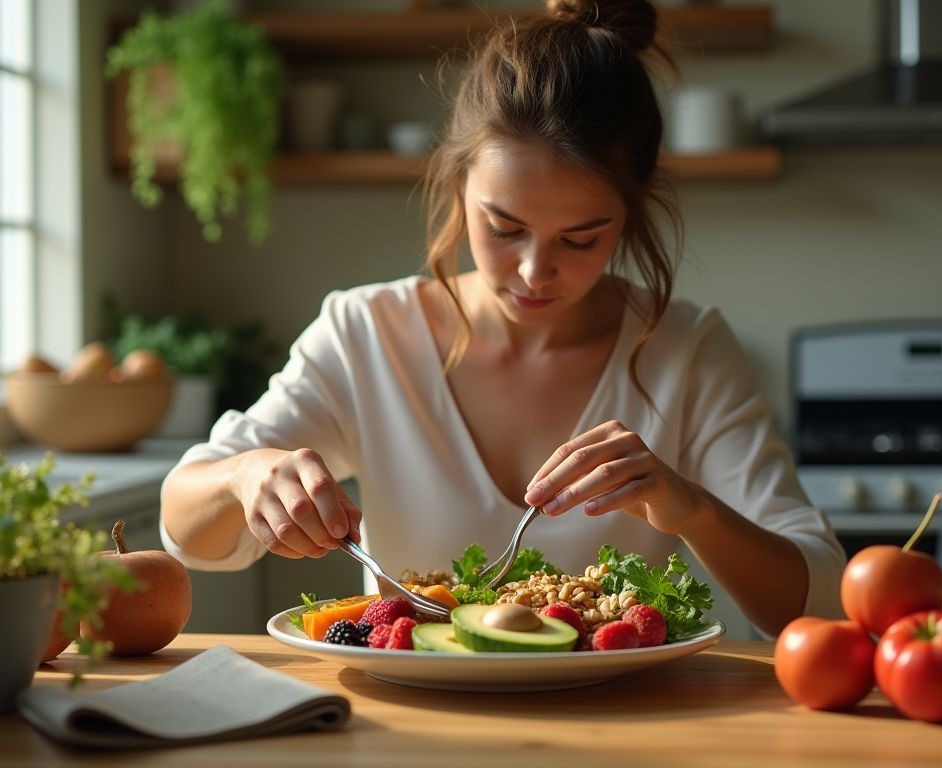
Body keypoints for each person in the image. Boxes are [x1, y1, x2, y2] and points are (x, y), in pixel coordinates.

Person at [160, 0, 845, 637]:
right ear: (459, 187)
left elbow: (817, 597)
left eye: (580, 239)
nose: (533, 272)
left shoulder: (685, 349)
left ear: (633, 215)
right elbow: (187, 531)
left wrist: (691, 509)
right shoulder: (368, 334)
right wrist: (244, 476)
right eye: (503, 227)